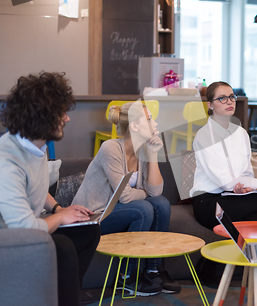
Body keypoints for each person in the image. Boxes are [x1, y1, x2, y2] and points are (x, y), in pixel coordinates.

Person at [0, 72, 101, 306]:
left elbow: (34, 187)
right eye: (61, 113)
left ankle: (66, 295)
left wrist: (58, 209)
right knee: (63, 246)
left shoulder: (36, 145)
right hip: (8, 238)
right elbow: (24, 227)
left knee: (87, 230)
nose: (66, 119)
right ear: (42, 118)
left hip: (24, 229)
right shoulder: (7, 160)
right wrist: (61, 217)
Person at [72, 100, 180, 296]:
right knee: (144, 209)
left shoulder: (144, 152)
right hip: (93, 217)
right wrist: (144, 193)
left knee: (161, 204)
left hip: (118, 213)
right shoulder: (110, 149)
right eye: (149, 119)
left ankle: (154, 270)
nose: (155, 124)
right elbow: (125, 197)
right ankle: (126, 277)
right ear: (135, 126)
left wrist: (154, 154)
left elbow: (156, 193)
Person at [190, 81, 257, 230]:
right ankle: (255, 246)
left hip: (235, 196)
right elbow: (226, 183)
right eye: (222, 98)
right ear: (210, 105)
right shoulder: (204, 136)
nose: (229, 102)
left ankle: (246, 245)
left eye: (232, 97)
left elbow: (247, 172)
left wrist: (246, 188)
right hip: (208, 201)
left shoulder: (241, 133)